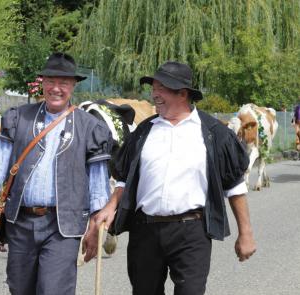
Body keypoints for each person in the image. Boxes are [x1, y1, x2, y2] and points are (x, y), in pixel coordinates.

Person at [85, 61, 257, 294]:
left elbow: (235, 187)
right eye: (153, 88)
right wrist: (110, 207)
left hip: (191, 232)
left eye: (162, 88)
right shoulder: (144, 132)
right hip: (145, 231)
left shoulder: (213, 133)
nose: (154, 94)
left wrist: (245, 234)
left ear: (183, 94)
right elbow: (126, 178)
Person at [0, 52, 113, 295]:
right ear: (41, 82)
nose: (56, 88)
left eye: (64, 83)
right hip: (20, 222)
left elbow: (98, 184)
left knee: (53, 289)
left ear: (73, 86)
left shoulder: (90, 127)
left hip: (63, 225)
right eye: (51, 81)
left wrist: (96, 225)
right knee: (19, 288)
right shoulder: (18, 117)